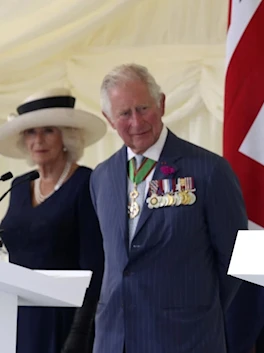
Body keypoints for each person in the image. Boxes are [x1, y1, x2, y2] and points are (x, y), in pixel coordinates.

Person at [90, 63, 247, 353]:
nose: (136, 122)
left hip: (185, 338)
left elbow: (234, 259)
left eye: (143, 108)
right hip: (115, 339)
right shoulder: (101, 177)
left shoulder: (209, 170)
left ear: (161, 103)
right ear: (109, 119)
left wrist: (193, 309)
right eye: (124, 113)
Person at [0, 88, 107, 353]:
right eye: (30, 132)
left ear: (67, 137)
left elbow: (95, 263)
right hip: (17, 313)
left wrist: (80, 330)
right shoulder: (19, 185)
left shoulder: (86, 183)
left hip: (65, 317)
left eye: (48, 130)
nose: (38, 140)